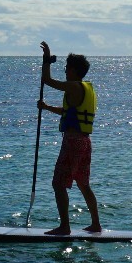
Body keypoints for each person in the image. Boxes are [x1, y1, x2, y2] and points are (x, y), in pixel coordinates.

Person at [36, 46, 100, 236]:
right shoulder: (83, 89)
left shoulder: (73, 86)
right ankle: (96, 224)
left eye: (66, 67)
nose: (64, 70)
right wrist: (47, 107)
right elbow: (69, 113)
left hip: (73, 142)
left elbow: (46, 80)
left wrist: (47, 60)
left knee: (58, 184)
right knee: (83, 183)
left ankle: (65, 227)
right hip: (85, 142)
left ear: (74, 70)